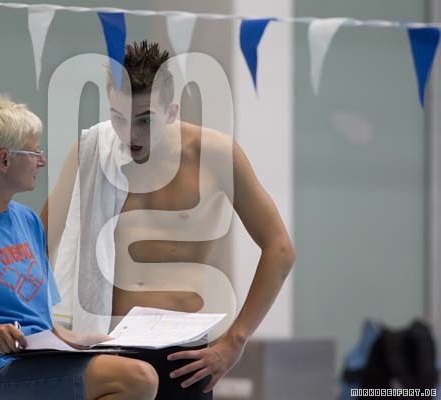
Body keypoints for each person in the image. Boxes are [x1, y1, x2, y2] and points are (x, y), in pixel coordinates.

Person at [41, 40, 296, 399]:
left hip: (184, 358)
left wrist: (234, 342)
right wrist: (48, 328)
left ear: (172, 111)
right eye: (119, 117)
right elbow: (37, 243)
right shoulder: (93, 151)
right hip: (107, 350)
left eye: (144, 120)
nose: (130, 134)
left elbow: (280, 248)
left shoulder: (214, 155)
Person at [0, 93, 158, 400]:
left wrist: (89, 341)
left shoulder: (28, 221)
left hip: (38, 360)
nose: (42, 161)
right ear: (4, 160)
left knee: (134, 368)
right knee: (138, 379)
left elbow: (41, 321)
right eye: (35, 151)